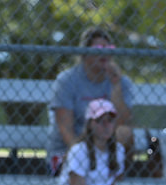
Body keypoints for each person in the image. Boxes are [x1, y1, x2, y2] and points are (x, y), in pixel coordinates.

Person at [47, 26, 135, 176]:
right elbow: (65, 129)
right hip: (71, 149)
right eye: (98, 48)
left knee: (125, 133)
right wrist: (83, 156)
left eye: (109, 48)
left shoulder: (121, 82)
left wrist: (115, 85)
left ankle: (111, 177)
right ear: (85, 52)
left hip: (105, 150)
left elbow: (122, 122)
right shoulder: (67, 80)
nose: (104, 53)